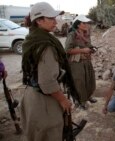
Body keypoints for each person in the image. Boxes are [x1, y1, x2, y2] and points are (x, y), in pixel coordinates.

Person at [21, 2, 75, 141]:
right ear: (39, 20)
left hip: (31, 95)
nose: (55, 22)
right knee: (49, 134)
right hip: (44, 100)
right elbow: (47, 82)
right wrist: (63, 100)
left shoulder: (32, 39)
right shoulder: (46, 45)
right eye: (51, 18)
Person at [65, 14, 97, 109]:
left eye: (87, 23)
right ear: (78, 24)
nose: (87, 25)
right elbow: (67, 50)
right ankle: (81, 101)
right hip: (76, 63)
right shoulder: (72, 35)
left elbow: (89, 45)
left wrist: (92, 49)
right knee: (79, 82)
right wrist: (83, 50)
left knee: (89, 80)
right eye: (84, 23)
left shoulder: (86, 34)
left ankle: (88, 96)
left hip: (87, 61)